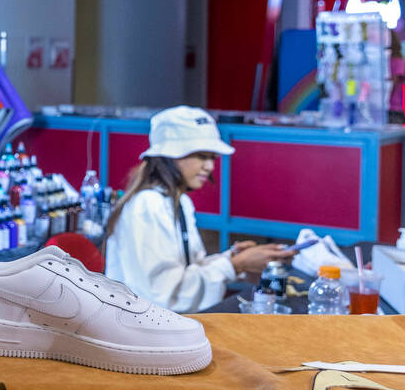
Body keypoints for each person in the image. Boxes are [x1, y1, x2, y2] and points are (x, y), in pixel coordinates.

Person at [103, 106, 293, 312]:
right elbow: (164, 297)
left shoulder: (179, 202)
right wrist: (235, 265)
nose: (210, 167)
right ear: (170, 155)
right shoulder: (148, 207)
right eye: (202, 156)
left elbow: (187, 270)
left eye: (212, 158)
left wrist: (231, 259)